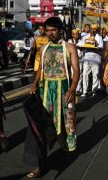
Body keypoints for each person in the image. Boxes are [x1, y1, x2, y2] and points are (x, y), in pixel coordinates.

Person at [27, 17, 79, 178]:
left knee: (65, 126)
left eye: (53, 30)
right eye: (48, 30)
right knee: (38, 129)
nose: (50, 33)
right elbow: (40, 70)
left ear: (60, 30)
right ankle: (38, 165)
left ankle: (63, 151)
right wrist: (34, 84)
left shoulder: (70, 48)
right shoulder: (43, 49)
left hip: (63, 91)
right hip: (45, 93)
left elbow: (76, 71)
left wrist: (71, 89)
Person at [78, 24, 103, 97]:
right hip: (87, 57)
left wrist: (94, 44)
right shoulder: (85, 37)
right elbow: (79, 45)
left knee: (95, 74)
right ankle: (84, 91)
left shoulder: (99, 38)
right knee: (85, 74)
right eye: (92, 29)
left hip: (95, 58)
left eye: (95, 29)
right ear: (90, 29)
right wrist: (83, 47)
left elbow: (101, 48)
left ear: (97, 30)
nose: (93, 30)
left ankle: (94, 90)